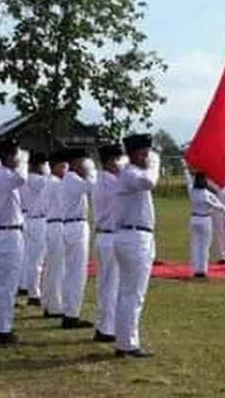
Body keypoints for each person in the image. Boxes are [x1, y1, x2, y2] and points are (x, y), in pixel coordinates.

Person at [113, 133, 160, 358]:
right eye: (143, 153)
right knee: (133, 293)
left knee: (129, 292)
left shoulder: (133, 173)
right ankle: (128, 343)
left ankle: (125, 339)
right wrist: (156, 163)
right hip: (133, 236)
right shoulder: (131, 174)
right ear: (133, 154)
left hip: (137, 235)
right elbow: (150, 182)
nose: (147, 157)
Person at [0, 141, 28, 345]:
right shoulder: (4, 175)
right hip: (7, 233)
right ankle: (2, 330)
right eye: (16, 156)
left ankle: (2, 326)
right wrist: (25, 160)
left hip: (10, 232)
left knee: (7, 283)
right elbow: (22, 177)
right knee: (6, 284)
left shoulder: (4, 175)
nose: (19, 159)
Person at [59, 147, 97, 330]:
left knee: (73, 271)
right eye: (83, 161)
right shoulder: (72, 178)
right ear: (75, 163)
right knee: (77, 272)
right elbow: (92, 186)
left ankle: (70, 311)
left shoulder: (70, 178)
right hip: (75, 226)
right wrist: (91, 169)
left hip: (73, 225)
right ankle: (71, 314)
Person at [91, 143, 124, 343]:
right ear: (111, 161)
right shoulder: (112, 181)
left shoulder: (100, 180)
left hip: (104, 236)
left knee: (106, 284)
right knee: (111, 285)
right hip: (111, 236)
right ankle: (107, 328)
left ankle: (104, 325)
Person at [39, 150, 70, 320]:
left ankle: (49, 302)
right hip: (57, 224)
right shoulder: (56, 183)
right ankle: (55, 305)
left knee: (52, 268)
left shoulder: (50, 182)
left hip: (53, 225)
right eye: (63, 166)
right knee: (58, 268)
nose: (66, 170)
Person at [188, 171, 225, 278]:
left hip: (194, 218)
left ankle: (195, 269)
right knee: (204, 246)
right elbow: (218, 206)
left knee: (195, 244)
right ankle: (202, 269)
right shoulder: (207, 194)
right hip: (205, 219)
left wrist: (187, 170)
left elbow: (189, 180)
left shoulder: (192, 191)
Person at [20, 152, 51, 306]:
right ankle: (34, 293)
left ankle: (27, 286)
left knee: (29, 257)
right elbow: (51, 180)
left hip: (28, 218)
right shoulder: (37, 180)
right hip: (37, 220)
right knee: (37, 260)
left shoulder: (26, 178)